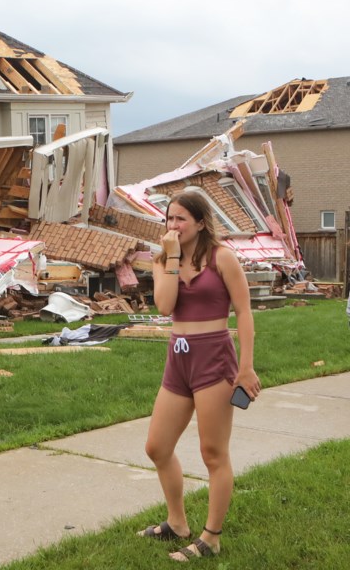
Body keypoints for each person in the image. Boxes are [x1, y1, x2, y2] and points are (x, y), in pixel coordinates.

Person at [137, 190, 260, 562]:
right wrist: (173, 257)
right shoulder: (162, 261)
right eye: (168, 219)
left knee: (213, 453)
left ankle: (211, 537)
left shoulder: (222, 257)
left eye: (180, 220)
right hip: (178, 359)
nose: (172, 226)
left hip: (214, 359)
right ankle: (177, 524)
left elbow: (244, 312)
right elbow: (165, 305)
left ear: (200, 223)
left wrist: (246, 367)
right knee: (157, 447)